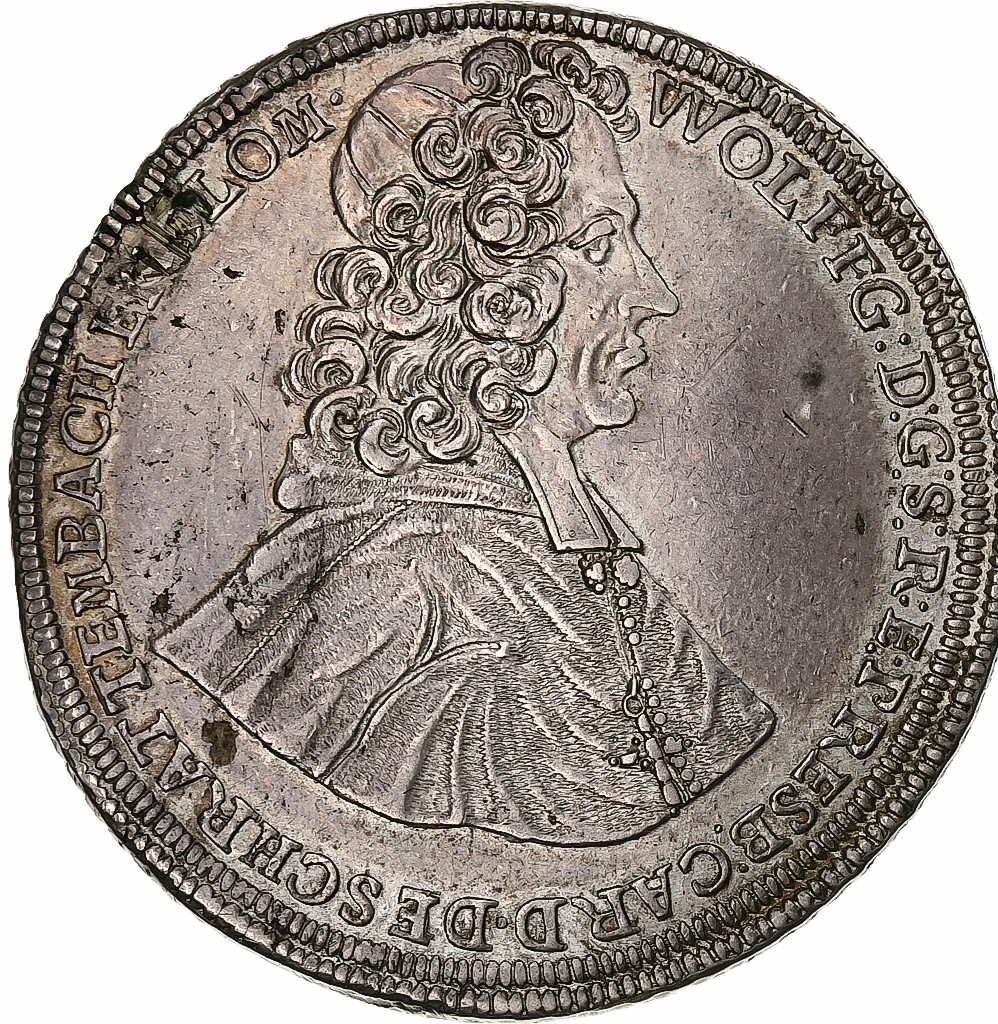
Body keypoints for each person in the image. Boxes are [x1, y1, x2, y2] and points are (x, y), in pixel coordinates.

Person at [155, 38, 775, 846]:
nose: (652, 291)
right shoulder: (392, 591)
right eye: (598, 243)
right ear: (481, 290)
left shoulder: (594, 568)